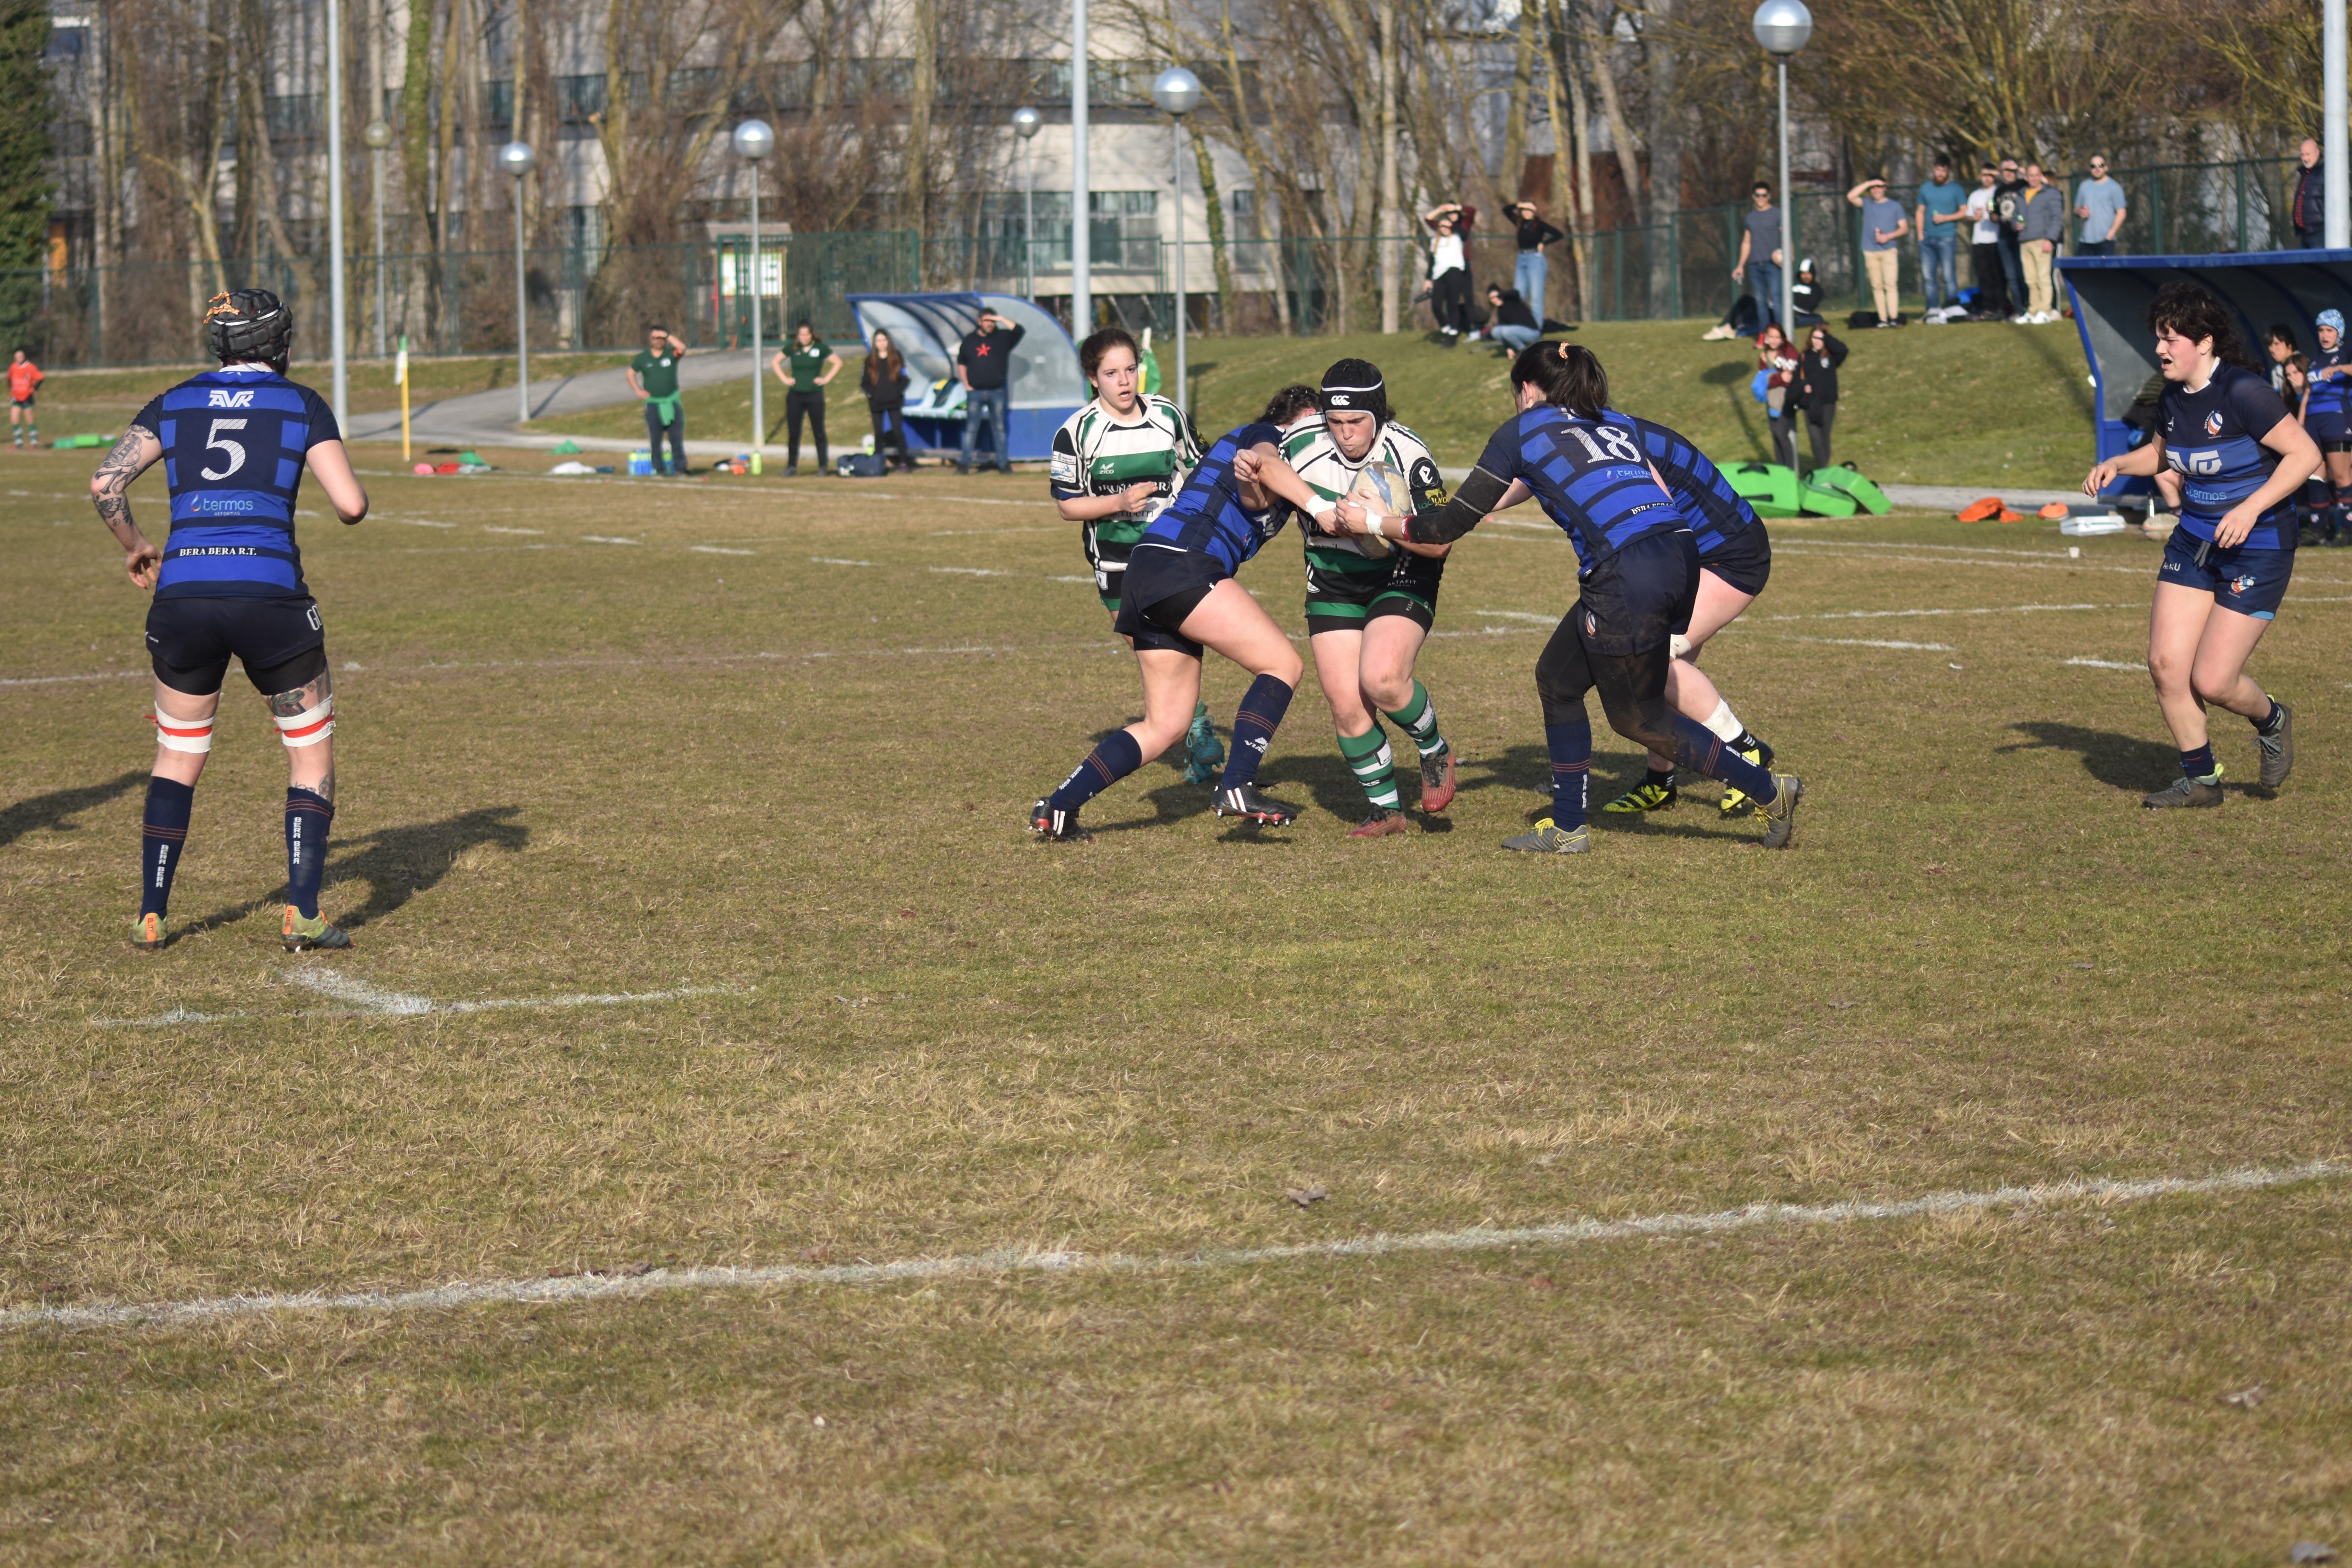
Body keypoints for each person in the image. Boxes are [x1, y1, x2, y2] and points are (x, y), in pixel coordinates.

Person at [1326, 341, 1803, 853]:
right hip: (1678, 552)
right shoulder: (1608, 422)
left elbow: (1444, 527)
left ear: (1528, 390)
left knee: (1638, 718)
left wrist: (1371, 521)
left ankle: (1767, 787)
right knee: (1558, 678)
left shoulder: (1523, 431)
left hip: (1627, 570)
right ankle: (1569, 825)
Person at [89, 289, 370, 952]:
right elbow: (351, 506)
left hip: (183, 598)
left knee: (178, 754)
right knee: (309, 756)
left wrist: (136, 547)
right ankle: (303, 912)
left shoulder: (174, 401)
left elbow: (106, 483)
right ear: (279, 342)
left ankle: (152, 915)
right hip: (270, 599)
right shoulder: (301, 403)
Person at [1028, 387, 1332, 839]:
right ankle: (1237, 785)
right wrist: (1321, 507)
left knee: (1166, 725)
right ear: (1303, 416)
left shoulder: (1291, 470)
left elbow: (1259, 498)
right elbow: (1265, 463)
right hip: (1182, 562)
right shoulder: (1265, 434)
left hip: (1152, 567)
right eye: (1324, 423)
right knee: (1282, 664)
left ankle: (1057, 808)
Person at [2082, 282, 2316, 808]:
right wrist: (2120, 463)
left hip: (2259, 544)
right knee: (2167, 664)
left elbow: (2304, 457)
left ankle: (2272, 719)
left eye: (2171, 339)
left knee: (2213, 679)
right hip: (2195, 541)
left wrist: (2250, 507)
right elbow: (2161, 456)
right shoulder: (2171, 398)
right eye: (2158, 338)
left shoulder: (2243, 392)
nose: (2162, 349)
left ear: (2205, 341)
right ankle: (2201, 780)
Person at [1282, 359, 1461, 836]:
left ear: (1377, 415)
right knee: (1346, 704)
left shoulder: (1409, 451)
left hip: (1402, 574)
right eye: (1335, 423)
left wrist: (1376, 524)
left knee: (1381, 679)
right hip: (1333, 580)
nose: (1345, 435)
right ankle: (1387, 811)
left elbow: (1441, 539)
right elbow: (1264, 466)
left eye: (1356, 422)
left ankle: (1433, 748)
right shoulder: (1302, 443)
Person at [1046, 324, 1223, 785]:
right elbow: (1068, 505)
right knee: (1146, 650)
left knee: (1177, 647)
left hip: (1173, 556)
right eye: (1112, 373)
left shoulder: (1168, 416)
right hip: (1117, 565)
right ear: (1093, 378)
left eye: (1131, 369)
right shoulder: (1077, 432)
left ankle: (1194, 729)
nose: (1124, 381)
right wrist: (1118, 503)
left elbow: (1202, 471)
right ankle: (1194, 721)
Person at [1595, 413, 1778, 821]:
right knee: (1664, 677)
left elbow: (1659, 509)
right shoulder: (1606, 428)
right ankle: (1660, 783)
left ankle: (1745, 747)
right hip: (1698, 550)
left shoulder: (1610, 438)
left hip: (1727, 554)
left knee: (1658, 659)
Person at [2300, 308, 2352, 545]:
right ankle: (2317, 530)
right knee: (2315, 474)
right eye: (2321, 330)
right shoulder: (2316, 358)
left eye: (2329, 330)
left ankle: (2349, 531)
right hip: (2313, 420)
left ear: (2339, 332)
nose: (2324, 335)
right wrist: (2300, 420)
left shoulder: (2346, 353)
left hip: (2337, 418)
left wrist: (2341, 368)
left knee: (2342, 476)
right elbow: (2308, 391)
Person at [956, 306, 1025, 472]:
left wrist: (1001, 319)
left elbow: (1019, 330)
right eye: (987, 321)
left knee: (999, 428)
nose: (990, 324)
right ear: (979, 322)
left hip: (997, 391)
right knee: (972, 428)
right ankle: (965, 464)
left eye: (993, 321)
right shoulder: (970, 340)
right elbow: (962, 363)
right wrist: (966, 384)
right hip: (975, 392)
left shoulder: (1002, 338)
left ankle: (1003, 464)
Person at [771, 319, 841, 477]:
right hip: (795, 395)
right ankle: (792, 466)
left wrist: (826, 379)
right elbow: (775, 362)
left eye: (807, 334)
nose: (804, 338)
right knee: (794, 432)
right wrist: (784, 379)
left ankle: (823, 466)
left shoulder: (820, 348)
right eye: (801, 335)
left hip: (814, 395)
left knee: (819, 431)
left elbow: (838, 363)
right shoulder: (793, 348)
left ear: (812, 334)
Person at [626, 325, 688, 476]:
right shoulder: (643, 358)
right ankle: (659, 469)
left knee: (676, 438)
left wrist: (667, 335)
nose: (658, 341)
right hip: (653, 403)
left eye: (661, 338)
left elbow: (682, 348)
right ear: (650, 340)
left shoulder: (670, 354)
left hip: (671, 401)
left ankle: (681, 468)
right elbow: (630, 374)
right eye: (655, 338)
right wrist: (638, 391)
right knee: (655, 438)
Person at [1848, 174, 1909, 325]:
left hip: (1889, 250)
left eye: (1880, 186)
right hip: (1870, 251)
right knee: (1877, 286)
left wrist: (1888, 237)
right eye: (1873, 188)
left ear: (1885, 188)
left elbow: (1904, 228)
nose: (1876, 190)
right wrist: (1869, 182)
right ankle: (1883, 320)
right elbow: (1851, 196)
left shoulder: (1895, 206)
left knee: (1891, 284)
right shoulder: (1867, 204)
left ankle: (1893, 318)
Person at [1787, 325, 1848, 473]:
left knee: (1824, 436)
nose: (1817, 341)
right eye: (1815, 338)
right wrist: (1804, 388)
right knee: (1815, 438)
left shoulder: (1831, 357)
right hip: (1811, 404)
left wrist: (1826, 337)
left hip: (1828, 403)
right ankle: (1823, 470)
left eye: (1821, 339)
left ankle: (1824, 470)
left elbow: (1843, 350)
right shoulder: (1805, 357)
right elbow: (1797, 380)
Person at [1914, 158, 1969, 321]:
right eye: (1938, 170)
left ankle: (1951, 308)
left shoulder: (1956, 189)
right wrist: (1920, 235)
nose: (1940, 174)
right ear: (1933, 169)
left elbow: (1964, 212)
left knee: (1948, 275)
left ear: (1949, 172)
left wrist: (1946, 218)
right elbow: (1920, 212)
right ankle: (1932, 309)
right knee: (1929, 277)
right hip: (1927, 240)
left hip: (1947, 238)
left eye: (1944, 171)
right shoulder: (1925, 189)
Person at [2015, 163, 2065, 323]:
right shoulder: (2022, 194)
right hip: (2025, 241)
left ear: (2041, 176)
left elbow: (2057, 219)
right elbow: (2017, 216)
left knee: (2044, 278)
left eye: (2037, 175)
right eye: (2031, 176)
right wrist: (2015, 224)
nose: (2034, 178)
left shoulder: (2051, 193)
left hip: (2042, 241)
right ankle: (2033, 310)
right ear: (2026, 177)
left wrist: (2050, 239)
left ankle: (2045, 311)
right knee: (2030, 280)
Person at [1733, 181, 1784, 335]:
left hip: (1773, 265)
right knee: (1760, 302)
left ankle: (1781, 335)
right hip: (1755, 265)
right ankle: (1764, 335)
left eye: (1764, 195)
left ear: (1769, 196)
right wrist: (1740, 265)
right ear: (1753, 197)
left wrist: (1789, 256)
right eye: (1757, 195)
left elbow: (1787, 237)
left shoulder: (1777, 214)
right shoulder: (1750, 218)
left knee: (1777, 300)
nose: (1761, 198)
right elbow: (1747, 242)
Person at [1423, 202, 1477, 345]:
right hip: (1439, 275)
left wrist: (1454, 213)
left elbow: (1465, 228)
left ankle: (1453, 334)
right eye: (1442, 226)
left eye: (1448, 226)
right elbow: (1432, 261)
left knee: (1453, 304)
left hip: (1454, 272)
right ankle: (1447, 326)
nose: (1445, 229)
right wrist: (1428, 279)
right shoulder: (1435, 241)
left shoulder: (1458, 237)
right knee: (1436, 305)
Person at [861, 328, 913, 472]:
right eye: (879, 341)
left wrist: (897, 392)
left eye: (884, 340)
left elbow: (905, 379)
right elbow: (864, 384)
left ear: (888, 341)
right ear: (874, 343)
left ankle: (904, 463)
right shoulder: (869, 361)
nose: (882, 343)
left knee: (897, 431)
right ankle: (879, 464)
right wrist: (874, 395)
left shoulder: (897, 357)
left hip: (894, 401)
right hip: (877, 403)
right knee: (878, 433)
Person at [1965, 163, 2013, 320]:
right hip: (1979, 241)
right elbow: (1968, 216)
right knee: (1984, 277)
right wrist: (1974, 218)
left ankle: (2002, 307)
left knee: (1998, 276)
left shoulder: (1998, 192)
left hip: (1995, 239)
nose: (1987, 178)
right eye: (1984, 175)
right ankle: (1988, 308)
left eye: (1990, 175)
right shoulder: (1975, 195)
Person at [1508, 200, 1564, 317]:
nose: (1527, 213)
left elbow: (1559, 234)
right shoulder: (1520, 224)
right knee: (1518, 295)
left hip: (1535, 259)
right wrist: (1520, 205)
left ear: (1535, 212)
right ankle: (1520, 324)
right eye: (1524, 211)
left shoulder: (1539, 225)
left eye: (1530, 210)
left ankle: (1536, 328)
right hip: (1521, 259)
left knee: (1536, 297)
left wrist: (1544, 243)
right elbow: (1506, 210)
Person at [1757, 322, 1798, 469]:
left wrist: (1777, 379)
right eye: (1771, 337)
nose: (1774, 340)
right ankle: (1781, 471)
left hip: (1787, 400)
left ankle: (1790, 471)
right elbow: (1765, 381)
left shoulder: (1790, 353)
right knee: (1775, 435)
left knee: (1781, 433)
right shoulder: (1764, 356)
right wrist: (1779, 378)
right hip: (1771, 400)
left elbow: (1791, 378)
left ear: (1782, 338)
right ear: (1766, 338)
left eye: (1777, 337)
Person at [1994, 158, 2029, 321]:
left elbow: (2039, 178)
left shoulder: (2023, 185)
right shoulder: (1998, 191)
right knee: (2011, 276)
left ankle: (2029, 305)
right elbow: (1994, 213)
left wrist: (2019, 168)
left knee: (2023, 274)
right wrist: (1991, 214)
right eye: (2005, 171)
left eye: (2011, 170)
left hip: (2020, 237)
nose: (2008, 173)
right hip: (2004, 237)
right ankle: (2018, 309)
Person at [2074, 156, 2127, 257]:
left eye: (2101, 165)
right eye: (2094, 166)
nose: (2097, 169)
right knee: (2083, 272)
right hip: (2086, 241)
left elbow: (2122, 213)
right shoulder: (2084, 186)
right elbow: (2076, 209)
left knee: (2104, 273)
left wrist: (2110, 235)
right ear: (2090, 169)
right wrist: (2081, 212)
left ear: (2106, 168)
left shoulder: (2114, 187)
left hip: (2106, 242)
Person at [1484, 283, 1542, 354]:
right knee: (1495, 332)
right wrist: (1509, 348)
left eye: (1495, 297)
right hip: (1517, 333)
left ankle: (1525, 352)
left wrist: (1501, 295)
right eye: (1491, 299)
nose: (1494, 300)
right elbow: (1502, 332)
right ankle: (1522, 349)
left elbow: (1516, 292)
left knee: (1506, 331)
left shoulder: (1513, 300)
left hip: (1532, 333)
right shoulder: (1501, 311)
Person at [2292, 140, 2325, 250]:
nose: (2305, 159)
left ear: (2317, 153)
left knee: (2321, 265)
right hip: (2304, 233)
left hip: (2319, 232)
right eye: (2302, 155)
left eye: (2308, 154)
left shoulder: (2325, 172)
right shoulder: (2305, 174)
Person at [8, 347, 41, 449]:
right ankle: (19, 443)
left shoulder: (30, 367)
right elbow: (9, 379)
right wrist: (12, 390)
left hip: (27, 397)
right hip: (17, 397)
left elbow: (40, 378)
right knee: (14, 419)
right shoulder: (13, 367)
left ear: (24, 357)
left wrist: (34, 389)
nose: (19, 358)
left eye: (21, 356)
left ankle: (34, 442)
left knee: (29, 420)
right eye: (17, 357)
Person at [2264, 323, 2300, 397]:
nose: (2273, 350)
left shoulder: (2303, 364)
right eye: (2270, 345)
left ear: (2289, 345)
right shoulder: (2276, 371)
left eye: (2277, 344)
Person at [1789, 258, 1824, 327]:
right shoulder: (1794, 287)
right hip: (1788, 314)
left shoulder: (1817, 289)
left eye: (1808, 274)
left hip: (1799, 318)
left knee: (1819, 319)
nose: (1806, 277)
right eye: (1803, 274)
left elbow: (1808, 307)